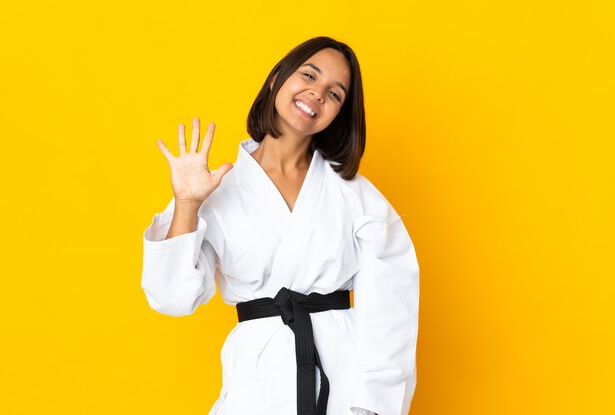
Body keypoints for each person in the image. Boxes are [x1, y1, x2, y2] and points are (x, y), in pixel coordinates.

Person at [141, 36, 420, 415]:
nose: (318, 94)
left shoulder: (356, 195)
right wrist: (188, 203)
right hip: (255, 387)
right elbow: (172, 297)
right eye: (309, 75)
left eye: (335, 94)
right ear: (276, 79)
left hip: (343, 387)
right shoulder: (217, 188)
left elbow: (392, 309)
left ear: (340, 113)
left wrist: (374, 407)